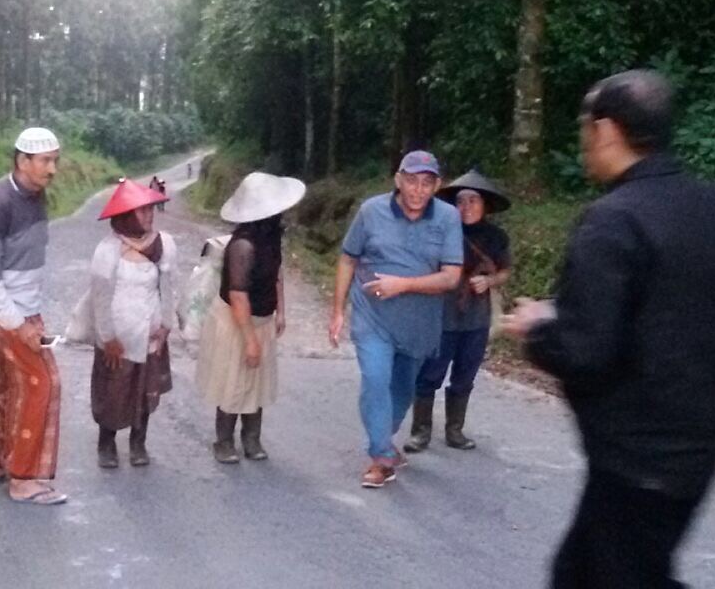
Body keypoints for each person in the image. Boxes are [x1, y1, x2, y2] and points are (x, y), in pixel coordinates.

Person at [503, 70, 715, 588]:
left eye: (585, 125)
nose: (583, 139)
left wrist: (539, 327)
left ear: (607, 129)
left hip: (635, 457)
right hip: (699, 443)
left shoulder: (614, 220)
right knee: (599, 571)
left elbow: (586, 351)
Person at [329, 150, 463, 488]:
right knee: (375, 379)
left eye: (426, 183)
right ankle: (381, 457)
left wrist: (402, 285)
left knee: (402, 390)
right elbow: (348, 258)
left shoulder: (448, 217)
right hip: (372, 315)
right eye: (411, 181)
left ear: (437, 186)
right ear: (398, 180)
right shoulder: (371, 211)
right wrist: (337, 310)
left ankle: (384, 440)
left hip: (418, 323)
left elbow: (451, 277)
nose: (418, 190)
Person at [0, 127, 68, 506]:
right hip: (6, 310)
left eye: (55, 160)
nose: (52, 169)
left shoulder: (37, 195)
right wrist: (17, 324)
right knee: (42, 383)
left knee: (7, 383)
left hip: (24, 307)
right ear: (22, 161)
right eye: (45, 161)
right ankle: (24, 479)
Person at [195, 172, 306, 463]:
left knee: (257, 382)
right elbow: (238, 295)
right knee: (233, 382)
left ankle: (252, 438)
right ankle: (223, 442)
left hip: (261, 318)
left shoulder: (271, 237)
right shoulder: (242, 246)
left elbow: (276, 274)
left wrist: (280, 311)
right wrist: (250, 340)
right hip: (237, 321)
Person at [405, 170, 513, 453]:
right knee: (429, 374)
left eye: (473, 200)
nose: (466, 207)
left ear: (484, 205)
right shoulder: (440, 232)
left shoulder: (496, 237)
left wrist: (489, 281)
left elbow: (504, 271)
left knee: (465, 376)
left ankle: (455, 431)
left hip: (476, 318)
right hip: (441, 315)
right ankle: (420, 432)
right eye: (461, 201)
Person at [88, 179, 177, 468]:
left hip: (150, 335)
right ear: (126, 215)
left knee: (145, 390)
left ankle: (139, 443)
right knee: (113, 391)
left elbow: (168, 287)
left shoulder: (163, 244)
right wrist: (108, 338)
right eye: (142, 211)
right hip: (118, 339)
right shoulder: (108, 250)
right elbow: (100, 299)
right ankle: (107, 443)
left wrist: (165, 325)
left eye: (150, 210)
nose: (149, 215)